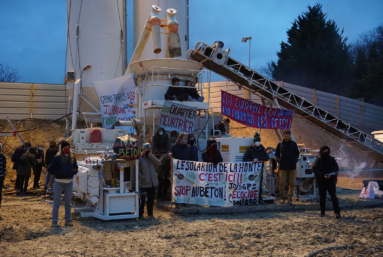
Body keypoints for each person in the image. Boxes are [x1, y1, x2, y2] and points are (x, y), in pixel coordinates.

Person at [47, 140, 78, 227]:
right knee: (56, 202)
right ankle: (54, 221)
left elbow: (76, 167)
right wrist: (60, 173)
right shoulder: (57, 158)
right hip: (59, 182)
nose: (67, 149)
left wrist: (73, 171)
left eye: (68, 147)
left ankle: (68, 220)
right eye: (65, 147)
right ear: (62, 148)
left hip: (69, 182)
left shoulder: (72, 157)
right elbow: (50, 169)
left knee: (68, 202)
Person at [313, 146, 341, 219]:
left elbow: (336, 169)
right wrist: (322, 175)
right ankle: (322, 212)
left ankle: (337, 212)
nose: (326, 152)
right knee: (322, 197)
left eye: (327, 150)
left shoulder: (332, 159)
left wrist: (331, 175)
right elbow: (314, 169)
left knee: (333, 197)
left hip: (330, 181)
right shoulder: (318, 160)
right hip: (321, 181)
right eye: (324, 150)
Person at [275, 129, 299, 205]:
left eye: (288, 135)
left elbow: (297, 153)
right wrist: (279, 160)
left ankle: (290, 198)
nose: (286, 137)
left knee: (292, 183)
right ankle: (282, 197)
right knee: (282, 183)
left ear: (290, 135)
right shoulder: (280, 144)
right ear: (283, 136)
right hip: (283, 167)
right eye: (285, 135)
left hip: (292, 167)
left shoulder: (293, 144)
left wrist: (294, 160)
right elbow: (277, 154)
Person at [139, 143, 161, 219]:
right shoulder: (140, 158)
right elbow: (136, 170)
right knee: (142, 200)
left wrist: (152, 157)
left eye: (149, 150)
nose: (148, 151)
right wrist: (142, 177)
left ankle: (150, 214)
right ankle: (140, 214)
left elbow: (159, 163)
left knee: (151, 200)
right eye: (146, 150)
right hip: (144, 183)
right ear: (143, 150)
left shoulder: (151, 157)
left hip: (152, 182)